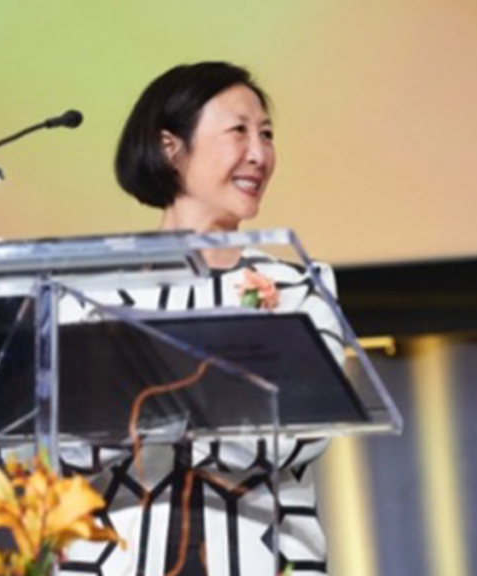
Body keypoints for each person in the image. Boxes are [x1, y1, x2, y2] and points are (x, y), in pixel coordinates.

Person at [58, 62, 343, 576]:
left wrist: (147, 405)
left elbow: (302, 431)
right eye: (239, 131)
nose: (259, 154)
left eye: (267, 135)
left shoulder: (300, 290)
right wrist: (212, 401)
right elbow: (66, 445)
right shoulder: (91, 294)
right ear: (171, 147)